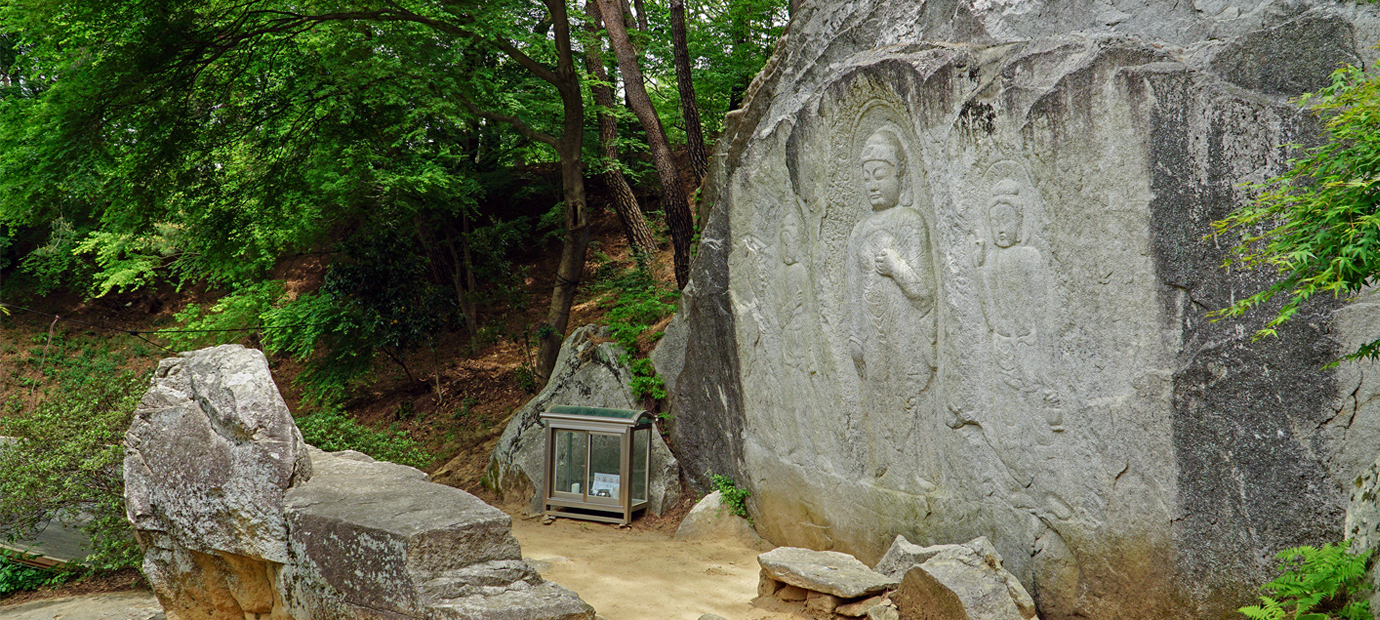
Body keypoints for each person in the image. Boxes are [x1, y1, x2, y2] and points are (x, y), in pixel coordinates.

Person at [846, 127, 936, 409]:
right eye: (867, 178)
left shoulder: (910, 221)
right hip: (873, 337)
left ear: (899, 176)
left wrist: (897, 267)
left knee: (911, 408)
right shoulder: (859, 231)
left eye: (881, 176)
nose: (872, 185)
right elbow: (853, 288)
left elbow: (925, 295)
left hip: (905, 334)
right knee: (881, 409)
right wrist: (855, 335)